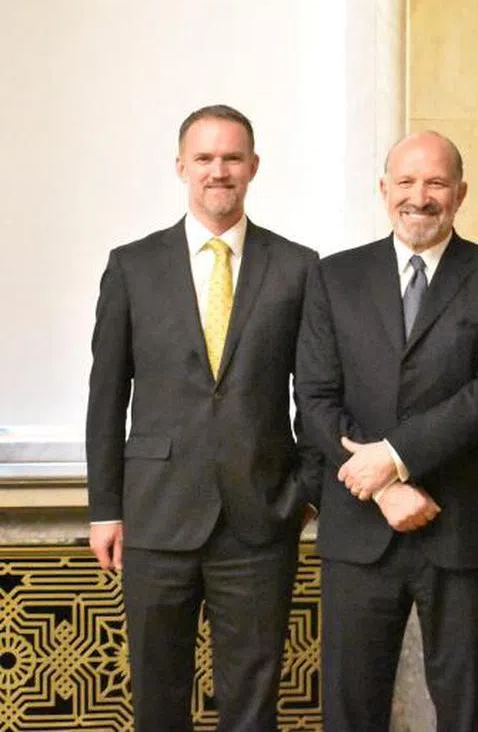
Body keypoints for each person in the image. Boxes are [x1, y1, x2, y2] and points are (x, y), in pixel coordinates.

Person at [86, 105, 321, 731]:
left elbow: (318, 393)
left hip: (260, 520)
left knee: (252, 703)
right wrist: (105, 508)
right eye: (205, 158)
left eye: (232, 158)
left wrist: (305, 492)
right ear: (181, 167)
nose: (219, 170)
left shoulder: (298, 267)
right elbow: (106, 396)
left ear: (253, 167)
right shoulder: (132, 265)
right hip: (155, 516)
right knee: (158, 696)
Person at [295, 130, 478, 731]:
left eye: (435, 183)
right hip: (359, 529)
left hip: (464, 529)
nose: (419, 197)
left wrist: (395, 456)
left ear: (460, 193)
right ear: (384, 189)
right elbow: (315, 400)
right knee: (351, 712)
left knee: (467, 712)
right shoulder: (333, 277)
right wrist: (382, 485)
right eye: (405, 181)